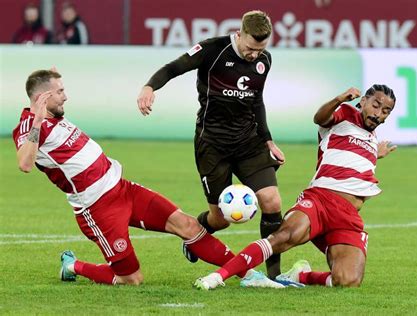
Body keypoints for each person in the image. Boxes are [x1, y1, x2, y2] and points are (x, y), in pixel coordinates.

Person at [12, 69, 283, 288]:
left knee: (188, 225)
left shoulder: (56, 118)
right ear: (43, 97)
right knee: (131, 280)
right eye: (60, 91)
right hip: (98, 209)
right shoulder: (29, 125)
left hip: (122, 189)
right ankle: (72, 266)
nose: (66, 97)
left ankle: (247, 274)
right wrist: (37, 121)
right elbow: (24, 163)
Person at [194, 84, 397, 290]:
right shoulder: (345, 115)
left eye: (385, 111)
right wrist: (339, 99)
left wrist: (375, 153)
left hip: (348, 215)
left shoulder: (372, 140)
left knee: (348, 280)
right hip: (321, 200)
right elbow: (319, 118)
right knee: (283, 237)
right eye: (375, 105)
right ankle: (218, 276)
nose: (378, 113)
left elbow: (354, 162)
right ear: (363, 102)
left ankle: (301, 276)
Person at [137, 10, 286, 280]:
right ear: (239, 35)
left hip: (248, 142)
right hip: (212, 145)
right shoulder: (212, 49)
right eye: (251, 48)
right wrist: (150, 87)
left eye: (260, 49)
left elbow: (256, 101)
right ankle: (194, 236)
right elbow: (174, 67)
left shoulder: (264, 60)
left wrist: (268, 140)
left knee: (272, 201)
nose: (255, 55)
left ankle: (274, 275)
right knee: (222, 219)